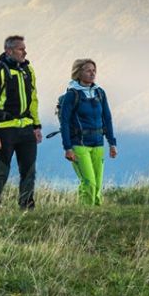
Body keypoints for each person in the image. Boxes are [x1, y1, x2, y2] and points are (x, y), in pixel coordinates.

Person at [0, 35, 42, 209]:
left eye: (24, 48)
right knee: (2, 171)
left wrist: (36, 126)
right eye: (20, 49)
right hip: (4, 130)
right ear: (9, 51)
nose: (25, 51)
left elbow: (33, 99)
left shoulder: (27, 70)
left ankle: (26, 207)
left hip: (26, 129)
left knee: (29, 170)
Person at [59, 58, 117, 205]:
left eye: (94, 70)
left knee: (97, 185)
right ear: (78, 73)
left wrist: (112, 143)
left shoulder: (100, 93)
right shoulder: (72, 95)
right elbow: (64, 122)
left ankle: (97, 216)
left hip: (98, 143)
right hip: (79, 145)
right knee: (89, 183)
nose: (92, 73)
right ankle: (85, 215)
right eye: (88, 70)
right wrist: (67, 148)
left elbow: (107, 119)